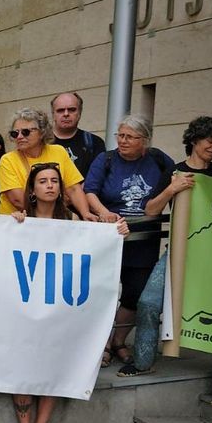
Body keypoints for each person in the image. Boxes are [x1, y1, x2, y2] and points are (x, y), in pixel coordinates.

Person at [9, 163, 130, 423]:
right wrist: (12, 223)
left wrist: (118, 231)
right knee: (23, 362)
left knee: (53, 363)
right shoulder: (19, 220)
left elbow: (99, 243)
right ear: (32, 190)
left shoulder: (75, 222)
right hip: (24, 307)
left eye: (54, 181)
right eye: (43, 181)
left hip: (60, 308)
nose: (49, 185)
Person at [129, 117, 212, 401]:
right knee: (148, 302)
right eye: (211, 141)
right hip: (178, 252)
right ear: (194, 140)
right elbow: (151, 209)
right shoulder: (173, 171)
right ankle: (142, 361)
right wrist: (172, 189)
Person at [83, 115, 175, 367]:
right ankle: (101, 344)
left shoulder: (158, 160)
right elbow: (89, 191)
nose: (122, 141)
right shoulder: (106, 159)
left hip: (143, 240)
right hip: (109, 238)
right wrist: (104, 212)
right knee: (104, 293)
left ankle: (118, 341)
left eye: (130, 137)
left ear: (144, 140)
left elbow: (179, 181)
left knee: (135, 294)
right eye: (120, 135)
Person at [0, 108, 96, 220]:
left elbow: (73, 189)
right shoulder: (7, 160)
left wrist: (85, 213)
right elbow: (18, 200)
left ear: (42, 132)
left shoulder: (59, 151)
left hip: (52, 219)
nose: (19, 137)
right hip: (17, 222)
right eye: (15, 133)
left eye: (25, 132)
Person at [50, 92, 106, 177]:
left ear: (80, 112)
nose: (66, 114)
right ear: (53, 114)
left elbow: (98, 177)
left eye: (72, 110)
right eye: (60, 110)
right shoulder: (41, 141)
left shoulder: (95, 142)